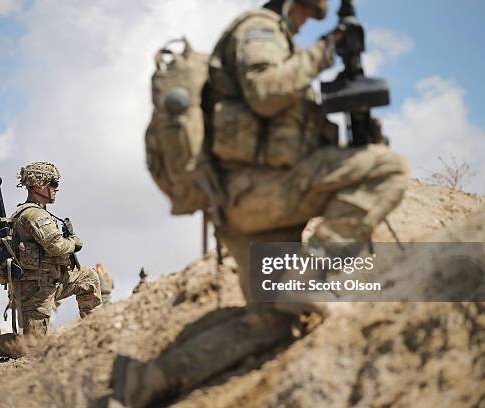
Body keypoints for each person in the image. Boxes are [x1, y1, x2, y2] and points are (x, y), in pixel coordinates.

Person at [111, 0, 409, 405]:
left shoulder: (277, 39)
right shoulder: (261, 29)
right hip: (257, 193)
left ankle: (144, 383)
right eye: (306, 14)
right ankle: (309, 274)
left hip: (250, 203)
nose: (306, 23)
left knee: (271, 320)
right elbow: (265, 92)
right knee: (388, 169)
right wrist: (326, 49)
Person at [0, 162, 102, 368]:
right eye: (53, 183)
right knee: (31, 346)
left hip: (52, 281)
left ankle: (97, 333)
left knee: (88, 277)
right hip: (34, 289)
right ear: (38, 185)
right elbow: (56, 246)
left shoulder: (39, 212)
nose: (56, 188)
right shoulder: (33, 214)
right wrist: (74, 242)